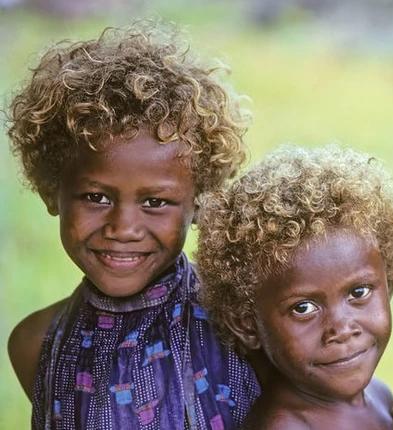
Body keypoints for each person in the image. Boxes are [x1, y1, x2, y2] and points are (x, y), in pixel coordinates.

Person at [6, 24, 260, 429]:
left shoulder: (243, 329)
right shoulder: (35, 345)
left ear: (198, 203)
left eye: (155, 202)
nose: (123, 227)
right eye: (96, 197)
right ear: (52, 191)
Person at [195, 145, 393, 429]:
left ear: (389, 282)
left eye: (358, 293)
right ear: (247, 325)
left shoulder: (377, 395)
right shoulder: (283, 426)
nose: (341, 329)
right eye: (303, 308)